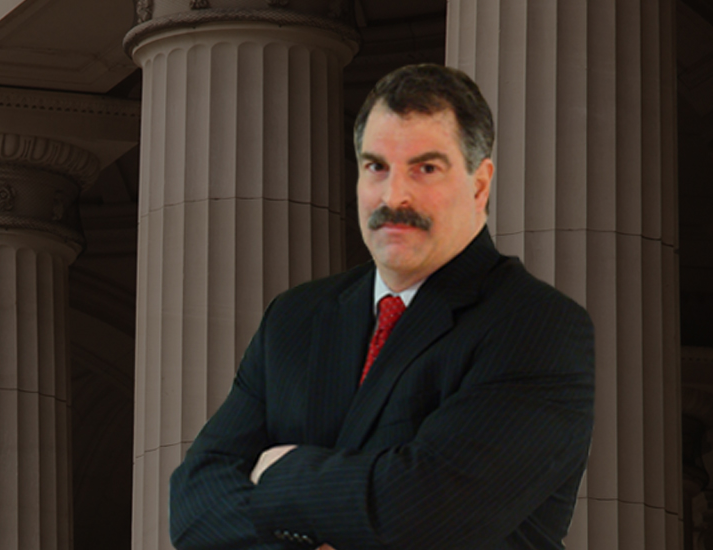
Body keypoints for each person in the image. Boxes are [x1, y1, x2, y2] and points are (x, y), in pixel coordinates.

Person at [168, 63, 595, 550]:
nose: (394, 196)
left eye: (425, 168)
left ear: (480, 185)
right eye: (377, 167)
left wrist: (279, 470)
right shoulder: (295, 318)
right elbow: (196, 497)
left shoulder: (537, 326)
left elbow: (423, 512)